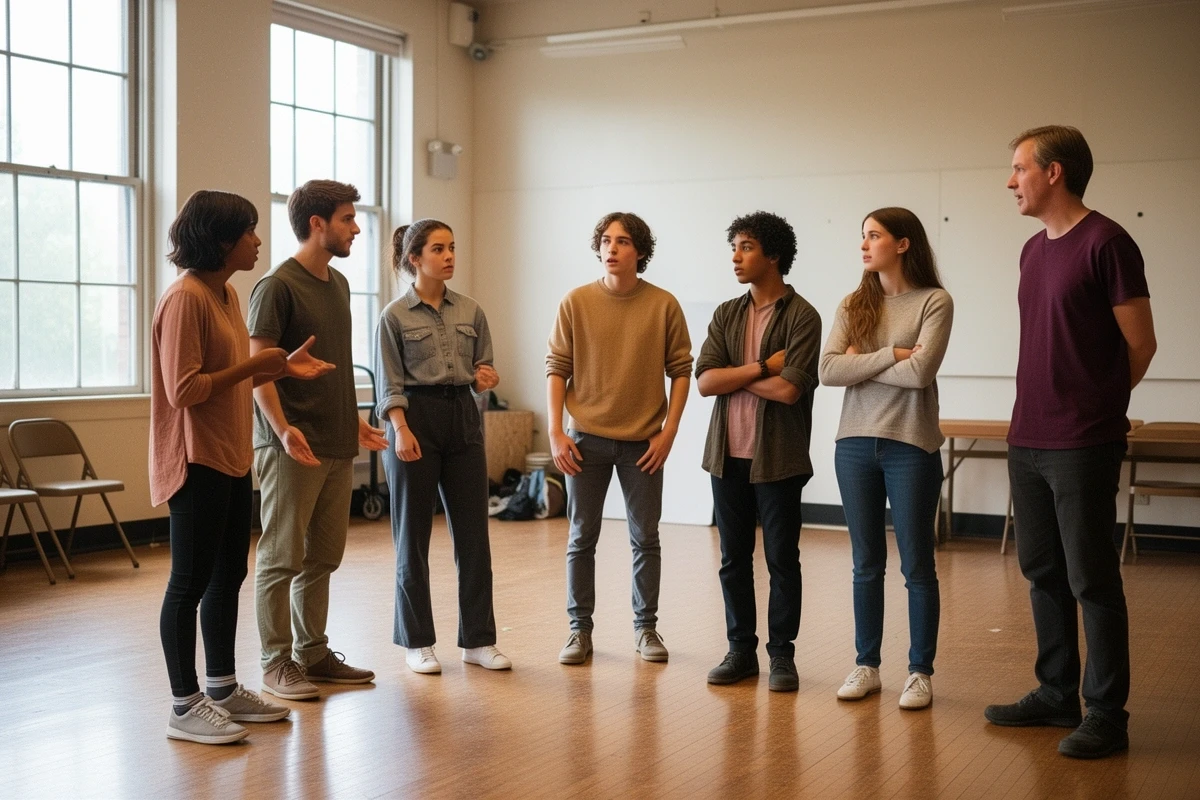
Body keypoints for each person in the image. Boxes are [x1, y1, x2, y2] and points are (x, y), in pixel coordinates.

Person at [984, 126, 1156, 759]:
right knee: (1042, 573)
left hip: (1081, 441)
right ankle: (1056, 693)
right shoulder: (1033, 250)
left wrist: (1098, 410)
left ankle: (1107, 713)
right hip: (1026, 435)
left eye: (1019, 168)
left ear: (1054, 172)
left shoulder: (1108, 242)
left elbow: (1142, 343)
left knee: (1092, 578)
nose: (1010, 181)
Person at [152, 190, 334, 744]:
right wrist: (257, 364)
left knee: (228, 575)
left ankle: (222, 687)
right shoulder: (186, 298)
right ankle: (184, 705)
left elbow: (229, 376)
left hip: (232, 457)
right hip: (195, 458)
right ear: (223, 240)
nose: (258, 241)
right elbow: (184, 390)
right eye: (249, 232)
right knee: (189, 582)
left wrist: (276, 370)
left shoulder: (226, 295)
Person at [248, 180, 388, 701]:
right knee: (281, 555)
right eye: (349, 219)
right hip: (290, 444)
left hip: (335, 441)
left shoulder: (340, 284)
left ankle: (313, 653)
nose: (355, 228)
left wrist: (351, 421)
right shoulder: (276, 287)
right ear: (317, 224)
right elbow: (260, 370)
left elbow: (335, 367)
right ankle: (275, 661)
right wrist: (283, 430)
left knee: (323, 556)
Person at [819, 207, 953, 711]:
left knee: (918, 564)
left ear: (902, 244)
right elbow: (829, 370)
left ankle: (919, 672)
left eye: (873, 236)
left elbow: (921, 375)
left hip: (911, 444)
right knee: (865, 563)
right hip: (853, 443)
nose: (863, 244)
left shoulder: (935, 301)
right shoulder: (855, 303)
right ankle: (867, 665)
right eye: (862, 236)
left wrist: (867, 360)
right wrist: (896, 354)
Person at [547, 212, 693, 665]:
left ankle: (646, 629)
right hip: (584, 440)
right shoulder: (575, 302)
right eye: (606, 241)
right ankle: (578, 632)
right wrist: (555, 431)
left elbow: (681, 370)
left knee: (645, 538)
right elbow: (557, 368)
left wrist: (669, 431)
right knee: (580, 538)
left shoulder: (663, 304)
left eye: (623, 241)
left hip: (643, 443)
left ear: (641, 252)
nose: (611, 248)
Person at [375, 218, 511, 675]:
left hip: (463, 421)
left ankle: (478, 640)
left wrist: (484, 380)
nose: (449, 256)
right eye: (438, 249)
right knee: (411, 538)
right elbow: (389, 383)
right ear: (415, 259)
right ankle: (417, 642)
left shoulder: (471, 310)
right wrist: (400, 428)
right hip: (415, 420)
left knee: (474, 537)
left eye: (452, 247)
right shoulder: (394, 316)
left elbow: (483, 371)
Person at [695, 211, 821, 692]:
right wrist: (763, 367)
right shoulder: (727, 313)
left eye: (746, 247)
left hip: (779, 458)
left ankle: (782, 657)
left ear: (773, 255)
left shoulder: (802, 315)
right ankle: (740, 651)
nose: (735, 257)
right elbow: (706, 381)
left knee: (782, 560)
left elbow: (791, 391)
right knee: (733, 558)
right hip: (727, 455)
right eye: (735, 246)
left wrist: (738, 376)